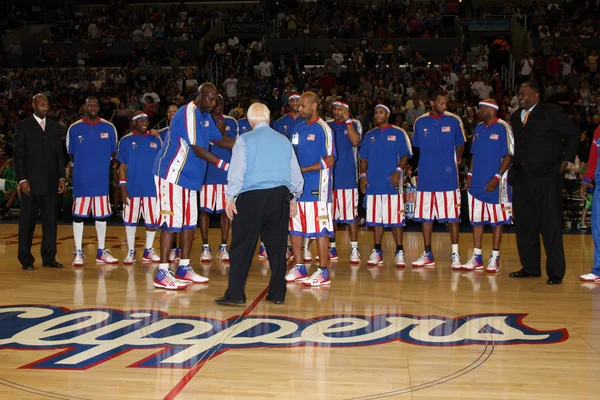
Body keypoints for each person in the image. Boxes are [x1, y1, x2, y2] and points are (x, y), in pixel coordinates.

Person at [215, 103, 304, 306]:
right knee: (277, 247)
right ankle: (277, 294)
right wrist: (293, 197)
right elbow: (295, 173)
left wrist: (230, 198)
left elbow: (237, 171)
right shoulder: (284, 140)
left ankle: (235, 294)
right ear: (268, 117)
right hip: (279, 197)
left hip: (251, 197)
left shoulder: (244, 140)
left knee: (241, 247)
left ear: (249, 120)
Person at [152, 83, 235, 289]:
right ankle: (162, 271)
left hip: (191, 178)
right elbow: (198, 149)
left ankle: (184, 267)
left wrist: (245, 145)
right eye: (210, 98)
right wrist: (225, 165)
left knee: (189, 222)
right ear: (199, 96)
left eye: (216, 98)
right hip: (172, 174)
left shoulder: (206, 117)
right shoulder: (188, 112)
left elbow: (219, 140)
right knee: (172, 221)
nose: (214, 102)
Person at [508, 82, 579, 285]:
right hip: (522, 177)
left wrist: (565, 161)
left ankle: (556, 272)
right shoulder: (515, 116)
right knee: (525, 225)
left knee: (550, 225)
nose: (521, 97)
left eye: (526, 94)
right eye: (519, 94)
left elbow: (573, 134)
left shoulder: (551, 112)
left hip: (546, 176)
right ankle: (530, 267)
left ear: (537, 96)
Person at [285, 92, 335, 287]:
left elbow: (330, 159)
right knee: (295, 226)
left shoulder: (325, 129)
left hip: (317, 187)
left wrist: (304, 169)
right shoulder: (297, 130)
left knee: (320, 229)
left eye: (303, 105)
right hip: (297, 187)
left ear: (314, 105)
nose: (299, 108)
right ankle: (299, 267)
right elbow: (292, 153)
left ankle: (323, 271)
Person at [412, 91, 466, 268]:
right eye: (441, 103)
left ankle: (455, 253)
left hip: (448, 178)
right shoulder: (420, 122)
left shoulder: (454, 120)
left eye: (446, 103)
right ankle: (428, 253)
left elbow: (460, 146)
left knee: (453, 217)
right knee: (426, 217)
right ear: (432, 102)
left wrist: (453, 164)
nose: (445, 106)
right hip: (427, 178)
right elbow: (417, 148)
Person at [13, 94, 66, 270]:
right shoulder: (23, 126)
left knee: (50, 222)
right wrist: (22, 179)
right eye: (42, 105)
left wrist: (61, 177)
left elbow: (59, 154)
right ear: (34, 105)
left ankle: (49, 256)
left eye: (47, 105)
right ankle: (26, 258)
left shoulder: (54, 127)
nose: (45, 108)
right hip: (31, 183)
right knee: (27, 223)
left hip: (51, 183)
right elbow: (18, 156)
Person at [462, 99, 514, 273]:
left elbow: (509, 155)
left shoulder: (503, 127)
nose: (479, 110)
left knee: (497, 219)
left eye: (482, 108)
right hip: (477, 180)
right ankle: (477, 256)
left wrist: (497, 177)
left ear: (492, 109)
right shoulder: (478, 128)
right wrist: (469, 174)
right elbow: (474, 155)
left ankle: (495, 256)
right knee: (477, 219)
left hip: (496, 181)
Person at [67, 97, 118, 267]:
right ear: (84, 107)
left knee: (102, 216)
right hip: (81, 180)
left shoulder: (109, 128)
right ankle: (78, 251)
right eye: (90, 104)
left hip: (101, 181)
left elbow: (113, 155)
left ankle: (101, 251)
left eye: (96, 105)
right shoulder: (74, 128)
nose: (93, 107)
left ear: (99, 108)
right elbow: (71, 153)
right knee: (78, 216)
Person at [359, 104, 412, 267]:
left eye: (381, 112)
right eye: (375, 112)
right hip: (374, 183)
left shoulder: (398, 132)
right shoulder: (369, 135)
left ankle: (400, 251)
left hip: (392, 182)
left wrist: (398, 170)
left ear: (388, 114)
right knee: (376, 220)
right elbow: (364, 158)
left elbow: (405, 154)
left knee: (397, 220)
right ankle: (377, 251)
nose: (377, 115)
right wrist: (362, 176)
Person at [117, 112, 162, 265]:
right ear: (133, 123)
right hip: (132, 189)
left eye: (146, 119)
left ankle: (148, 250)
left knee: (152, 221)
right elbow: (121, 166)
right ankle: (131, 251)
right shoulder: (125, 141)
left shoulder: (156, 139)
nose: (144, 122)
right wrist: (122, 187)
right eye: (140, 120)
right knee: (130, 221)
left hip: (151, 189)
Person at [199, 95, 238, 263]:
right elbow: (198, 146)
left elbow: (237, 145)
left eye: (221, 102)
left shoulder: (232, 122)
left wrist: (223, 135)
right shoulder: (202, 120)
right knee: (204, 210)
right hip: (206, 172)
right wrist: (217, 136)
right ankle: (205, 246)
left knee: (225, 211)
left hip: (225, 173)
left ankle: (223, 246)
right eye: (215, 102)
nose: (217, 105)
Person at [328, 100, 362, 263]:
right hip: (330, 179)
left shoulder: (354, 124)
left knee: (350, 217)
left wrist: (348, 120)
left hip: (348, 178)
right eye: (334, 109)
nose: (336, 112)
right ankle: (332, 248)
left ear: (346, 111)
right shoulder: (327, 125)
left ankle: (354, 249)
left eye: (340, 109)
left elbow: (355, 142)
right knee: (330, 217)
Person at [157, 103, 181, 262]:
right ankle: (171, 248)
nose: (172, 113)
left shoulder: (185, 130)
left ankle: (178, 248)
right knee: (169, 216)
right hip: (167, 178)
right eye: (170, 111)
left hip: (182, 177)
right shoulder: (160, 133)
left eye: (175, 111)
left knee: (182, 215)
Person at [580, 123, 600, 283]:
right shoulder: (598, 131)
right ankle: (598, 269)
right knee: (597, 227)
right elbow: (593, 158)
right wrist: (586, 181)